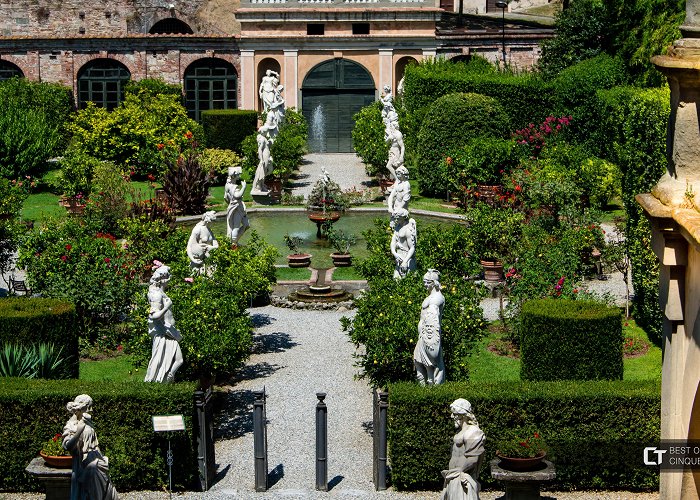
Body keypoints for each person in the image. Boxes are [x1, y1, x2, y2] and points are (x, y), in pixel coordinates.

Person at [62, 394, 119, 500]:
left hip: (96, 457)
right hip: (82, 462)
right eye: (89, 407)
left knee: (99, 472)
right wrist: (78, 431)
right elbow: (67, 446)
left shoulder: (88, 422)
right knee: (93, 471)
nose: (91, 410)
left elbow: (94, 444)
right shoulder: (71, 425)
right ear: (82, 407)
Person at [144, 265, 183, 383]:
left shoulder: (160, 292)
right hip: (163, 333)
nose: (170, 279)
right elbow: (154, 316)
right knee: (160, 361)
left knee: (179, 360)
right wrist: (166, 307)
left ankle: (167, 379)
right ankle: (158, 383)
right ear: (163, 279)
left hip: (169, 332)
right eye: (168, 276)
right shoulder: (157, 295)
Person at [440, 399, 485, 500]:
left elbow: (473, 459)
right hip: (453, 476)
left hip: (462, 479)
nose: (452, 416)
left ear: (463, 415)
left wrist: (459, 471)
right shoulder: (461, 431)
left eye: (455, 414)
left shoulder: (473, 432)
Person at [414, 269, 445, 385]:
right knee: (418, 365)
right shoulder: (430, 297)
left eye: (427, 282)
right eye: (424, 282)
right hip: (422, 337)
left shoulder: (437, 298)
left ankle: (431, 394)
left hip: (429, 339)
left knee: (430, 369)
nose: (425, 285)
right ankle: (422, 394)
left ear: (434, 283)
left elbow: (432, 317)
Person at [224, 167, 249, 243]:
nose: (239, 176)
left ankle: (234, 241)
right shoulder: (234, 186)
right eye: (238, 175)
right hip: (236, 208)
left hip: (234, 207)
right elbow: (237, 195)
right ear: (234, 176)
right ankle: (234, 244)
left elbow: (225, 197)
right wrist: (244, 187)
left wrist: (230, 203)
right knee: (236, 226)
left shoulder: (227, 185)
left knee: (246, 224)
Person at [390, 208, 416, 279]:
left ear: (403, 217)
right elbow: (393, 242)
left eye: (398, 218)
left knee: (407, 281)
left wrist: (405, 261)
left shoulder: (408, 230)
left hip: (406, 258)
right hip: (399, 256)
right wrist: (394, 253)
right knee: (396, 280)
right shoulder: (397, 227)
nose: (396, 220)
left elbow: (412, 248)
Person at [252, 124, 274, 195]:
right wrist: (261, 159)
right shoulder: (262, 139)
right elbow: (260, 149)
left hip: (267, 156)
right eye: (266, 131)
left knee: (266, 171)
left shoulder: (263, 138)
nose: (267, 132)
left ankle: (262, 185)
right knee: (262, 171)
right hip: (264, 156)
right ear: (263, 132)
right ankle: (258, 186)